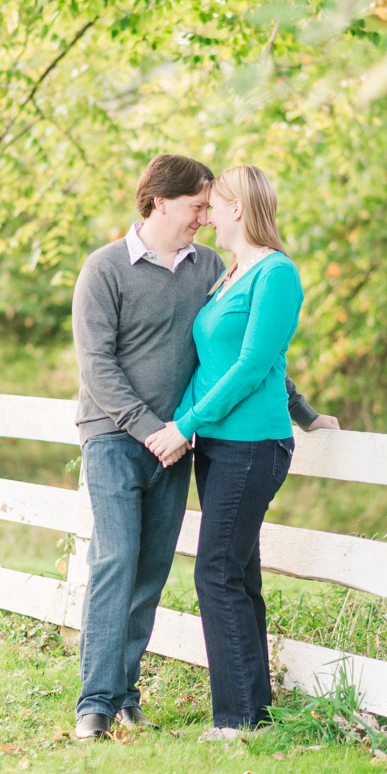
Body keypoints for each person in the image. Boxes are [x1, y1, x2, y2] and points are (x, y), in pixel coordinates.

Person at [71, 154, 337, 741]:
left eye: (208, 206)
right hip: (120, 435)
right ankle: (95, 700)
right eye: (195, 206)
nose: (202, 217)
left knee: (154, 569)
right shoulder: (105, 269)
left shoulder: (212, 267)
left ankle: (127, 694)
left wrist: (304, 412)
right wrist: (153, 430)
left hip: (181, 440)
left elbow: (246, 354)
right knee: (117, 560)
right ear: (158, 202)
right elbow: (97, 367)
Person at [147, 166, 321, 739]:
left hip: (252, 446)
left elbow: (252, 366)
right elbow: (239, 363)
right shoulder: (233, 275)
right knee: (238, 575)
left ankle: (238, 721)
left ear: (239, 209)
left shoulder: (276, 274)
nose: (206, 216)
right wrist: (310, 413)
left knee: (215, 572)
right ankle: (255, 714)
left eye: (213, 206)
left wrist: (184, 425)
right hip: (219, 445)